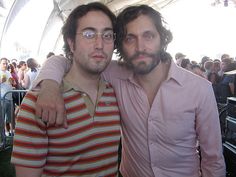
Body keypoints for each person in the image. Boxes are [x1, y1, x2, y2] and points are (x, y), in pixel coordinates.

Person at [32, 4, 225, 177]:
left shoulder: (199, 89)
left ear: (162, 38)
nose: (140, 47)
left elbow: (213, 159)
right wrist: (49, 86)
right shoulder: (114, 73)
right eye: (129, 38)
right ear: (120, 45)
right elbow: (65, 61)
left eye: (148, 36)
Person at [11, 2, 121, 177]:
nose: (99, 44)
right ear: (71, 43)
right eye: (89, 34)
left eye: (107, 35)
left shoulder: (116, 93)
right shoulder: (38, 102)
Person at [0, 57, 14, 136]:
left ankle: (8, 132)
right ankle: (2, 137)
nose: (5, 65)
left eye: (6, 63)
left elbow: (11, 83)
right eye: (3, 63)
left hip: (9, 97)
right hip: (2, 98)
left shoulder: (8, 72)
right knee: (1, 118)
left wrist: (12, 82)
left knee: (9, 118)